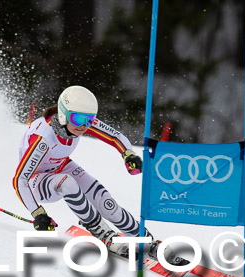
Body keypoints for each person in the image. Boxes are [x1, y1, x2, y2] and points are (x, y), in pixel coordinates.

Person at [13, 85, 146, 256]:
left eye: (89, 120)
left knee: (104, 200)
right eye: (78, 119)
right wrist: (38, 213)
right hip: (36, 181)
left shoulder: (77, 122)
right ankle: (102, 232)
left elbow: (115, 136)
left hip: (61, 166)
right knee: (67, 182)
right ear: (63, 114)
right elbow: (20, 179)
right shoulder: (44, 138)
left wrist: (128, 154)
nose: (83, 126)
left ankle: (143, 237)